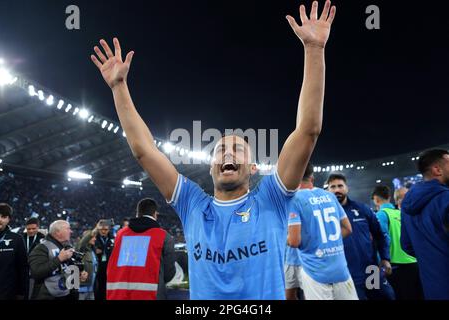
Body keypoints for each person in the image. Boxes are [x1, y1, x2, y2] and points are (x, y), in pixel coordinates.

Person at [90, 0, 336, 299]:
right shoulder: (193, 204)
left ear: (254, 167)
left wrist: (314, 50)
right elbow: (144, 151)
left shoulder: (271, 199)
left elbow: (308, 130)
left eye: (238, 148)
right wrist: (118, 87)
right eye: (220, 150)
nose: (228, 153)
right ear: (210, 166)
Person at [288, 164, 356, 300]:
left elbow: (294, 242)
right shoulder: (329, 196)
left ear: (293, 178)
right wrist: (329, 244)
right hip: (341, 270)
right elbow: (348, 228)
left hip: (315, 272)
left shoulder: (293, 200)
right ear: (312, 178)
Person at [327, 173, 395, 300]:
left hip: (371, 270)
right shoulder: (325, 214)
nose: (337, 190)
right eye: (333, 187)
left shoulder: (362, 209)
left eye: (340, 186)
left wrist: (385, 258)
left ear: (347, 188)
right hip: (347, 275)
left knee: (386, 297)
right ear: (328, 190)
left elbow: (380, 235)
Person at [401, 149, 449, 300]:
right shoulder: (446, 198)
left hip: (432, 288)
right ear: (437, 169)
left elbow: (406, 245)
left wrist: (431, 255)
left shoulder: (406, 205)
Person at [107, 198, 176, 300]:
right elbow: (169, 273)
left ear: (137, 213)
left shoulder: (120, 235)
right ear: (155, 214)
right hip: (150, 295)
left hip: (118, 295)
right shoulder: (164, 236)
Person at [371, 185, 423, 300]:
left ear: (375, 199)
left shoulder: (381, 215)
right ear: (390, 197)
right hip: (414, 263)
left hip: (395, 267)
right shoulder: (401, 213)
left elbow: (382, 238)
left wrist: (379, 262)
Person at [29, 220, 88, 300]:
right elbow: (36, 272)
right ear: (57, 232)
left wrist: (79, 274)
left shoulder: (67, 247)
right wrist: (59, 259)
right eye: (68, 229)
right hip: (47, 296)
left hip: (65, 294)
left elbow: (68, 269)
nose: (71, 231)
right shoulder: (41, 248)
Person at [0, 203, 28, 300]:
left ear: (9, 219)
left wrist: (22, 291)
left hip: (8, 292)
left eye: (3, 217)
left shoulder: (16, 239)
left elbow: (23, 268)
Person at [94, 219, 114, 300]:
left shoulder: (113, 239)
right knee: (98, 288)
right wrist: (94, 250)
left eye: (105, 229)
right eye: (101, 229)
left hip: (109, 268)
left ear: (109, 229)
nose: (103, 231)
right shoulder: (94, 239)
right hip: (97, 268)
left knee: (107, 288)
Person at [76, 229, 98, 300]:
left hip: (91, 287)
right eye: (93, 237)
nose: (95, 239)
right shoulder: (81, 250)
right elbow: (82, 243)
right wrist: (96, 228)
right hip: (82, 288)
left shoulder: (91, 251)